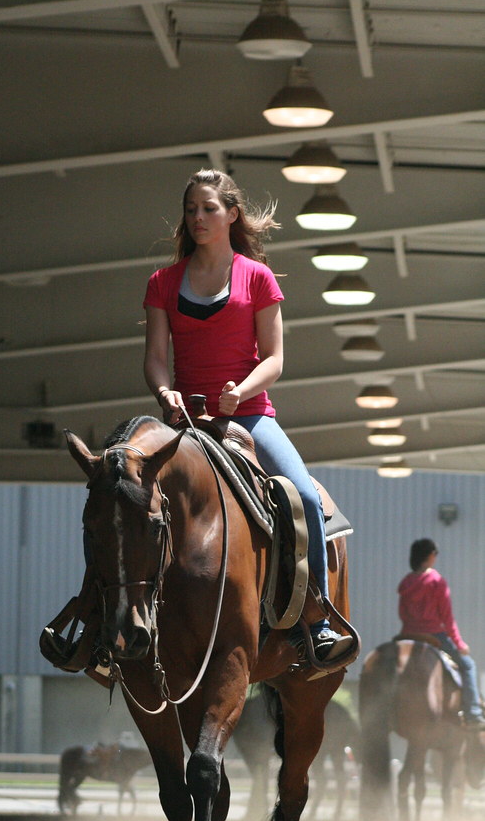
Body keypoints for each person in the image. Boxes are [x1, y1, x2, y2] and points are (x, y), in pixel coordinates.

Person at [143, 167, 353, 666]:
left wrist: (242, 390)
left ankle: (317, 620)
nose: (198, 217)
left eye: (208, 208)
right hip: (185, 421)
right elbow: (154, 356)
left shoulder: (256, 277)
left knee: (301, 492)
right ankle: (102, 623)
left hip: (250, 417)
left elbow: (275, 358)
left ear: (231, 214)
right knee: (122, 490)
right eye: (191, 209)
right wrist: (164, 391)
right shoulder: (162, 282)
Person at [398, 537, 485, 729]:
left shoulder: (406, 583)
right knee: (469, 665)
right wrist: (460, 644)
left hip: (407, 635)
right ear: (430, 556)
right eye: (435, 554)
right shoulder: (436, 581)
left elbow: (402, 614)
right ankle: (473, 713)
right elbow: (448, 619)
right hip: (433, 636)